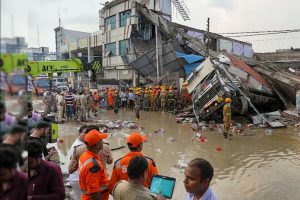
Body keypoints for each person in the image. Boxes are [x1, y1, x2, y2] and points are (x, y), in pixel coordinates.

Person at [78, 129, 109, 200]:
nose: (103, 141)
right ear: (98, 145)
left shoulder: (84, 155)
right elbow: (94, 192)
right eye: (101, 140)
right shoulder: (93, 165)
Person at [68, 125, 88, 200]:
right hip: (78, 178)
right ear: (79, 133)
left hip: (76, 178)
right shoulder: (78, 146)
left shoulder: (80, 144)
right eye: (84, 133)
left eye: (88, 133)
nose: (86, 135)